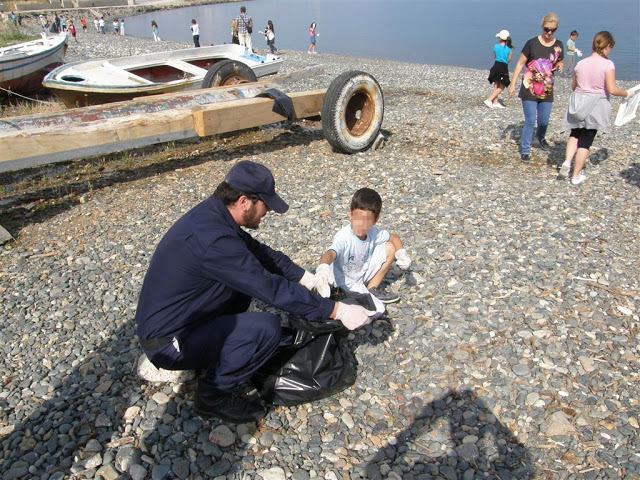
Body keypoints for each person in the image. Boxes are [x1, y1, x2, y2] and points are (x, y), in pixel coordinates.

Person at [135, 161, 374, 423]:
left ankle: (213, 354)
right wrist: (337, 310)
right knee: (266, 329)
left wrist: (304, 277)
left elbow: (261, 254)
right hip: (167, 342)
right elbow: (269, 288)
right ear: (244, 201)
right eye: (266, 203)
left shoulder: (214, 215)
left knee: (240, 291)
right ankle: (212, 397)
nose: (269, 209)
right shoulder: (215, 242)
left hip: (178, 321)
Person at [314, 188, 412, 319]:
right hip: (346, 284)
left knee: (390, 247)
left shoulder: (373, 232)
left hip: (361, 271)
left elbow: (393, 237)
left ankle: (372, 289)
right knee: (378, 311)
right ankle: (355, 299)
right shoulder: (344, 238)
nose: (361, 225)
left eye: (367, 221)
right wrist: (323, 267)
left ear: (375, 220)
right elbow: (331, 253)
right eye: (357, 219)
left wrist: (401, 252)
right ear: (350, 215)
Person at [558, 31, 636, 185]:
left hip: (578, 102)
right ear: (607, 46)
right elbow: (612, 89)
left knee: (574, 133)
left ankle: (567, 162)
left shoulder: (581, 63)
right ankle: (576, 175)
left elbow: (574, 86)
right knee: (586, 140)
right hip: (595, 104)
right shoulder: (608, 64)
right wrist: (627, 93)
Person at [508, 12, 564, 163]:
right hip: (530, 87)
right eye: (547, 29)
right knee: (530, 120)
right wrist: (512, 84)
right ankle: (525, 150)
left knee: (544, 121)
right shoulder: (532, 43)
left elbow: (560, 61)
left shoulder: (559, 45)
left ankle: (541, 137)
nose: (549, 32)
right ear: (542, 27)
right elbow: (520, 63)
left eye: (553, 30)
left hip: (547, 89)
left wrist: (559, 65)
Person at [484, 29, 514, 109]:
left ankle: (495, 102)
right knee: (504, 84)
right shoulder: (509, 50)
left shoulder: (496, 46)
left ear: (500, 38)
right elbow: (509, 60)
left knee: (496, 83)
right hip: (503, 66)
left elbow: (494, 56)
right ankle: (489, 99)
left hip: (496, 65)